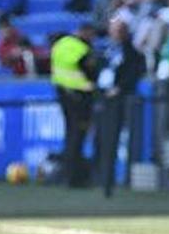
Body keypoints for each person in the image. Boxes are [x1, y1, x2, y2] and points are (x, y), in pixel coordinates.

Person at [95, 19, 146, 197]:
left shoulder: (131, 52)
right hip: (103, 99)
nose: (115, 33)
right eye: (113, 30)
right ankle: (102, 180)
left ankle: (116, 182)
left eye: (119, 30)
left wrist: (120, 89)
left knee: (117, 141)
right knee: (102, 141)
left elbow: (136, 71)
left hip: (121, 101)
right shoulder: (107, 50)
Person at [50, 23, 100, 188]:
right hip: (79, 97)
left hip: (64, 95)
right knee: (78, 137)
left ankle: (67, 175)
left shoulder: (60, 45)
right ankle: (75, 178)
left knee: (70, 136)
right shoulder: (80, 48)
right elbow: (90, 69)